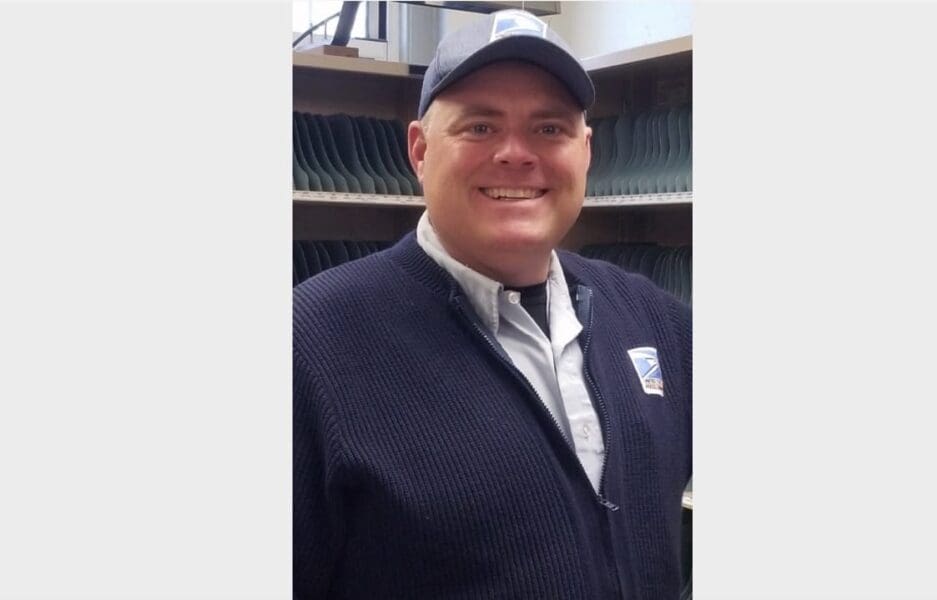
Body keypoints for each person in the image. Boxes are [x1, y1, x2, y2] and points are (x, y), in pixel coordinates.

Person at [294, 9, 691, 599]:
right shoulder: (311, 345)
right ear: (420, 150)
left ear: (585, 152)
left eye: (549, 129)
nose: (516, 154)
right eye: (480, 127)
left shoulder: (657, 322)